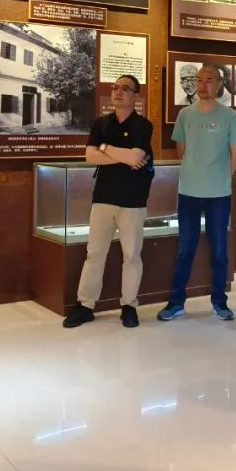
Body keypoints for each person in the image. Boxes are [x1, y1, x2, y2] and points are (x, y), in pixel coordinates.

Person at [63, 75, 153, 329]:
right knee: (94, 253)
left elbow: (136, 156)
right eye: (115, 87)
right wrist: (123, 156)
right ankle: (85, 305)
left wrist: (104, 148)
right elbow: (90, 157)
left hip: (133, 200)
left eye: (125, 88)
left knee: (132, 255)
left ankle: (129, 306)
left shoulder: (143, 125)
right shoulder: (101, 123)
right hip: (103, 198)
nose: (118, 92)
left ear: (136, 95)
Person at [159, 65, 236, 321]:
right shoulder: (185, 114)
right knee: (186, 248)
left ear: (218, 85)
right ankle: (176, 302)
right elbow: (181, 149)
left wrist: (223, 177)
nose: (202, 84)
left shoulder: (229, 116)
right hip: (189, 191)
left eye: (209, 80)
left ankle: (219, 301)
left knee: (219, 250)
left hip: (219, 193)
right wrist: (194, 171)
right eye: (199, 80)